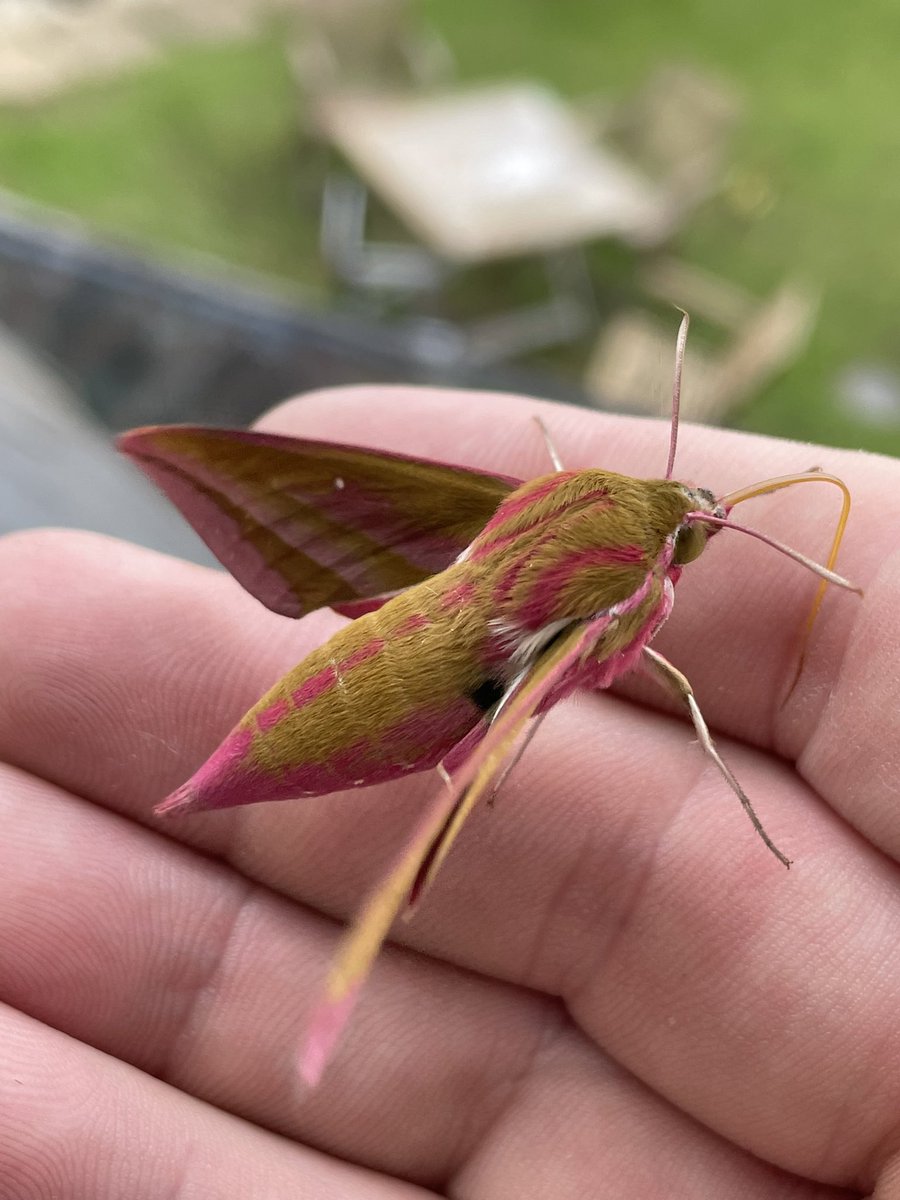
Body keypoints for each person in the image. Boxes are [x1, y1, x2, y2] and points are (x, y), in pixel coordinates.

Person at [0, 385, 894, 1198]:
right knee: (678, 697)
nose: (691, 526)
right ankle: (352, 952)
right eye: (689, 535)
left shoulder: (554, 510)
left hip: (406, 630)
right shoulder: (628, 593)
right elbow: (646, 663)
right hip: (410, 690)